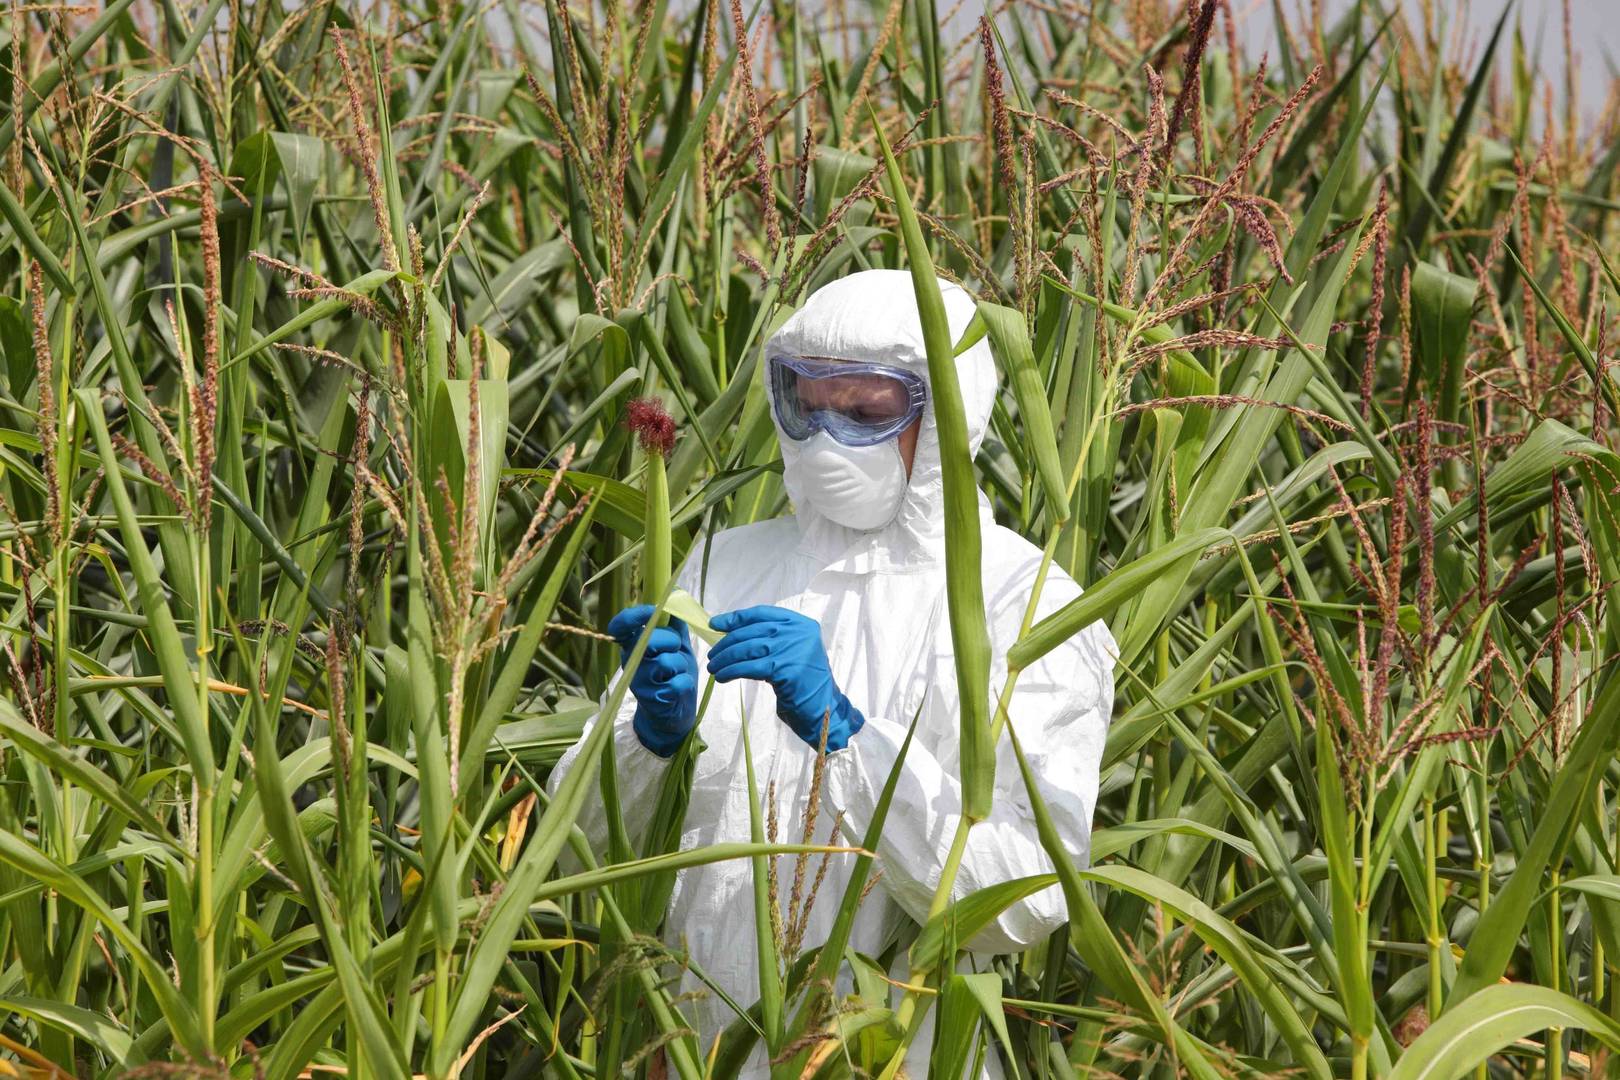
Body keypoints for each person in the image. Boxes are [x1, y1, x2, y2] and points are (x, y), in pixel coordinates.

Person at [550, 268, 1116, 1074]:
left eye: (865, 414)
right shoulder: (722, 568)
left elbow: (1026, 896)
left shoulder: (1022, 603)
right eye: (804, 406)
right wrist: (647, 745)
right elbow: (576, 856)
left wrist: (846, 740)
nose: (823, 439)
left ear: (950, 412)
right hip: (695, 1047)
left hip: (896, 1055)